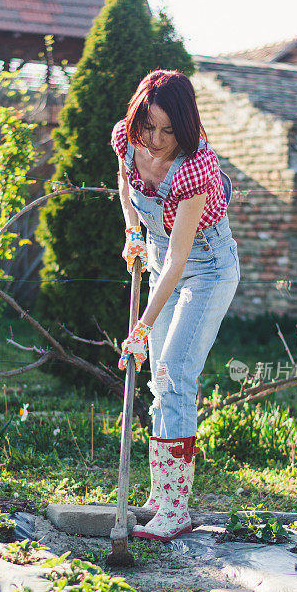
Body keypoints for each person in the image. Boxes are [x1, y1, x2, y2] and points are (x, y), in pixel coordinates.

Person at [111, 69, 240, 542]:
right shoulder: (128, 142)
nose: (156, 140)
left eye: (169, 130)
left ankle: (177, 509)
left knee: (174, 371)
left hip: (206, 269)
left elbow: (180, 260)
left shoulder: (195, 168)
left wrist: (141, 327)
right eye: (149, 127)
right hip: (163, 259)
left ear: (184, 127)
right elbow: (127, 187)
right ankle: (160, 496)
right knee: (158, 380)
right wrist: (132, 231)